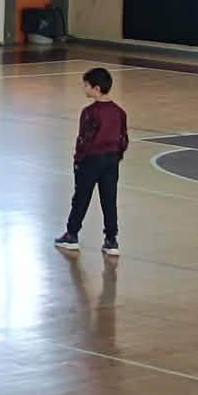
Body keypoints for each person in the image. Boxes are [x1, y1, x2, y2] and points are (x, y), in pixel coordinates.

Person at [56, 67, 127, 256]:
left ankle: (72, 235)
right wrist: (117, 156)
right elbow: (123, 138)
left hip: (91, 160)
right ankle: (111, 240)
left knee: (81, 197)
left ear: (96, 88)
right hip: (111, 160)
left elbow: (84, 140)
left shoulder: (89, 112)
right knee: (109, 199)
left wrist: (78, 160)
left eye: (86, 85)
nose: (84, 88)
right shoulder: (119, 112)